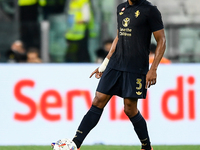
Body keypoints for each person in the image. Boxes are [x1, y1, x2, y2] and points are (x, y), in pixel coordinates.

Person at [52, 0, 166, 150]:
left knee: (129, 109)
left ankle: (146, 146)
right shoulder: (121, 8)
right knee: (98, 100)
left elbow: (161, 40)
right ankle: (76, 143)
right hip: (115, 64)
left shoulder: (150, 10)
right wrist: (105, 64)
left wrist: (153, 69)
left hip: (135, 67)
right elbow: (119, 37)